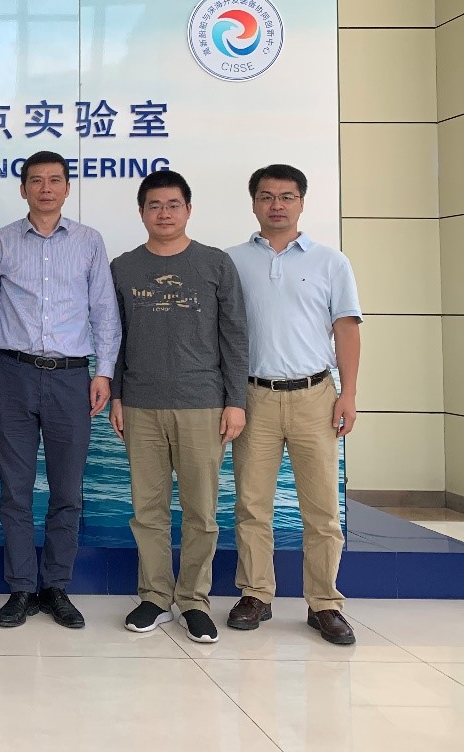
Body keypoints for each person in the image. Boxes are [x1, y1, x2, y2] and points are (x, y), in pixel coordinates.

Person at [0, 150, 121, 630]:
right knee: (15, 491)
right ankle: (20, 588)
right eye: (36, 181)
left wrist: (104, 373)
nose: (45, 189)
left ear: (67, 187)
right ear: (23, 189)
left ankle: (56, 586)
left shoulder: (89, 241)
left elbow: (104, 312)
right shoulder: (0, 242)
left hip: (71, 377)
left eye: (55, 180)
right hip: (13, 375)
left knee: (67, 491)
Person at [226, 164, 362, 646]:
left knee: (322, 509)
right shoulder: (231, 261)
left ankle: (324, 603)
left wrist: (348, 393)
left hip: (315, 395)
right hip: (253, 397)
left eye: (287, 196)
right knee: (251, 505)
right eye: (267, 196)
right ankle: (256, 594)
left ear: (302, 202)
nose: (277, 205)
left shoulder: (331, 262)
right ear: (254, 203)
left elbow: (346, 329)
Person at [109, 170, 248, 644]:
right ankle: (154, 596)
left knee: (201, 511)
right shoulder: (124, 267)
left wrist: (236, 401)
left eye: (172, 205)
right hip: (141, 404)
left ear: (188, 209)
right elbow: (114, 338)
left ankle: (193, 601)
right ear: (141, 212)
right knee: (147, 510)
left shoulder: (215, 263)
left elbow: (235, 335)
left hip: (202, 403)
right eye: (154, 205)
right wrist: (118, 396)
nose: (163, 213)